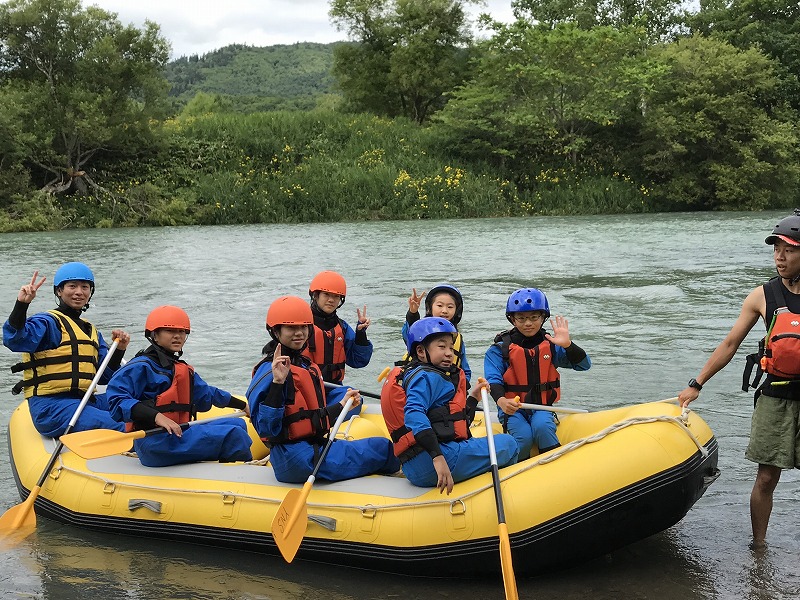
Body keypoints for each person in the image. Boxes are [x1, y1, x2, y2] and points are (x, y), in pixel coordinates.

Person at [678, 208, 800, 550]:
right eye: (776, 248)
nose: (780, 256)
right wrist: (696, 382)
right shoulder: (763, 296)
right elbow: (730, 344)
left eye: (789, 249)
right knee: (766, 478)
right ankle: (758, 547)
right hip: (775, 398)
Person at [247, 295, 399, 483]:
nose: (299, 333)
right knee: (383, 449)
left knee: (377, 446)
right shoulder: (271, 371)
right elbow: (266, 428)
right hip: (299, 459)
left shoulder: (301, 364)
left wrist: (342, 404)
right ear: (276, 331)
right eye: (291, 328)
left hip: (307, 448)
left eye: (303, 327)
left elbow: (309, 418)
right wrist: (278, 384)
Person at [381, 317, 519, 494]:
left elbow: (449, 420)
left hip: (415, 466)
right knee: (509, 443)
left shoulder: (420, 374)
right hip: (435, 461)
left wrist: (473, 398)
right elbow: (413, 413)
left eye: (451, 348)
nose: (449, 353)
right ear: (421, 351)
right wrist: (438, 458)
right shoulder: (426, 377)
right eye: (441, 346)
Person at [106, 305, 253, 467]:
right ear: (154, 336)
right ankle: (239, 480)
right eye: (170, 331)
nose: (177, 336)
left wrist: (243, 405)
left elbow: (207, 393)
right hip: (154, 442)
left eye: (182, 332)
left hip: (175, 434)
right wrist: (157, 416)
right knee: (235, 435)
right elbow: (117, 399)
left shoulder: (178, 368)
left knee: (238, 424)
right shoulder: (140, 366)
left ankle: (225, 468)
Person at [3, 263, 130, 438]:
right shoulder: (48, 322)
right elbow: (15, 340)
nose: (79, 292)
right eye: (72, 286)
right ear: (59, 291)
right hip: (52, 408)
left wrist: (119, 350)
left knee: (136, 404)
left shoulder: (91, 331)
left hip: (86, 402)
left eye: (85, 287)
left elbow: (104, 377)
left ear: (90, 292)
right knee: (122, 425)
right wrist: (21, 306)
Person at [484, 288, 591, 460]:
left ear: (543, 318)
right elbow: (493, 381)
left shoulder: (552, 345)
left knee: (542, 426)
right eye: (521, 318)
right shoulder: (499, 350)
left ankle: (556, 469)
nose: (528, 323)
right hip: (513, 409)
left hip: (542, 406)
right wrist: (502, 401)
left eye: (534, 317)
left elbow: (584, 365)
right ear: (512, 319)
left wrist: (568, 345)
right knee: (523, 436)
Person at [304, 270, 372, 414]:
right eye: (326, 294)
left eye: (336, 296)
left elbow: (359, 361)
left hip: (332, 389)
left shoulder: (342, 327)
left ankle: (325, 417)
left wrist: (361, 334)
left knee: (355, 399)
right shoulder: (301, 326)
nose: (331, 300)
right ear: (315, 295)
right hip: (305, 391)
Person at [401, 284, 471, 383]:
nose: (444, 310)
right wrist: (413, 313)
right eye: (439, 305)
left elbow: (465, 371)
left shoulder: (457, 337)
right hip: (420, 383)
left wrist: (461, 387)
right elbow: (408, 335)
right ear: (430, 308)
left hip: (446, 387)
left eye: (450, 307)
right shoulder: (421, 330)